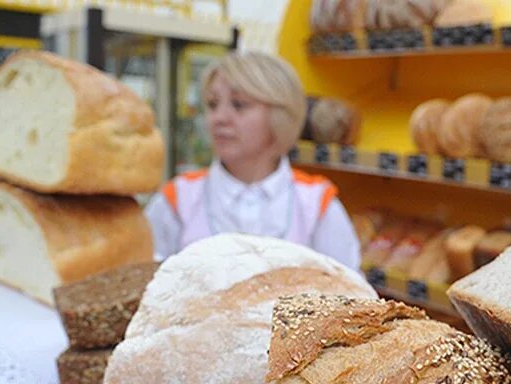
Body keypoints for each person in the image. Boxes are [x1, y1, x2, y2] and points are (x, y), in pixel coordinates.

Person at [144, 51, 361, 270]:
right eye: (212, 104)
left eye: (239, 105)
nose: (219, 118)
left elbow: (352, 296)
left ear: (280, 115)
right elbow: (143, 286)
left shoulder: (316, 204)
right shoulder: (178, 199)